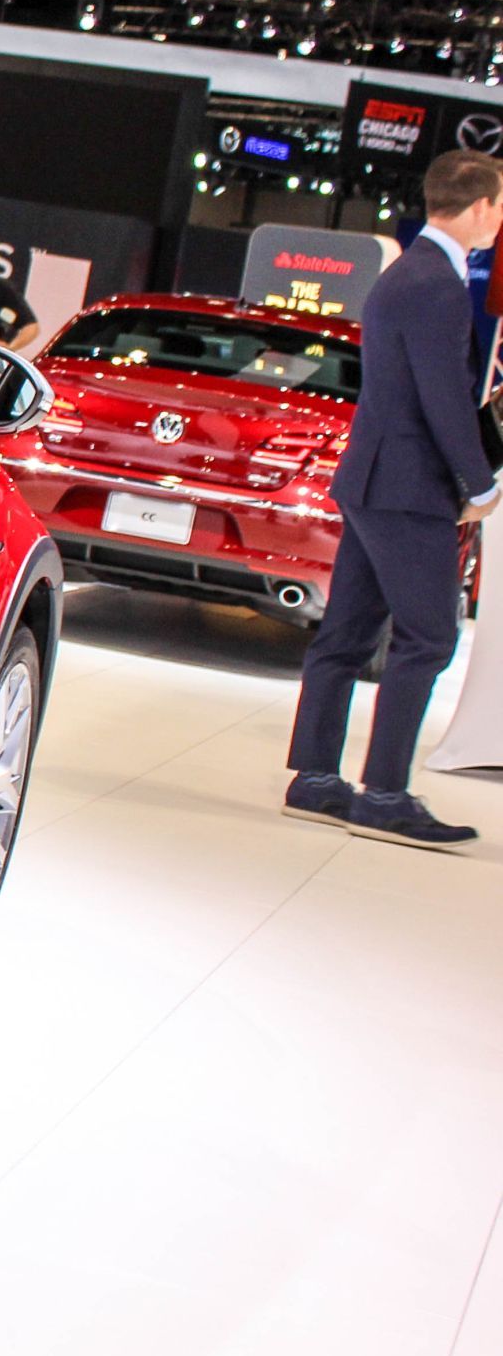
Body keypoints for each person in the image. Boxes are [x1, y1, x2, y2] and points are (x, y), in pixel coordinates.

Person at [286, 149, 503, 847]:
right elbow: (444, 400)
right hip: (410, 490)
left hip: (375, 481)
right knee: (430, 636)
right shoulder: (437, 283)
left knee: (346, 634)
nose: (500, 220)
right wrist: (481, 481)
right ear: (478, 207)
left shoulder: (406, 273)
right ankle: (384, 794)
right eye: (498, 206)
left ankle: (316, 779)